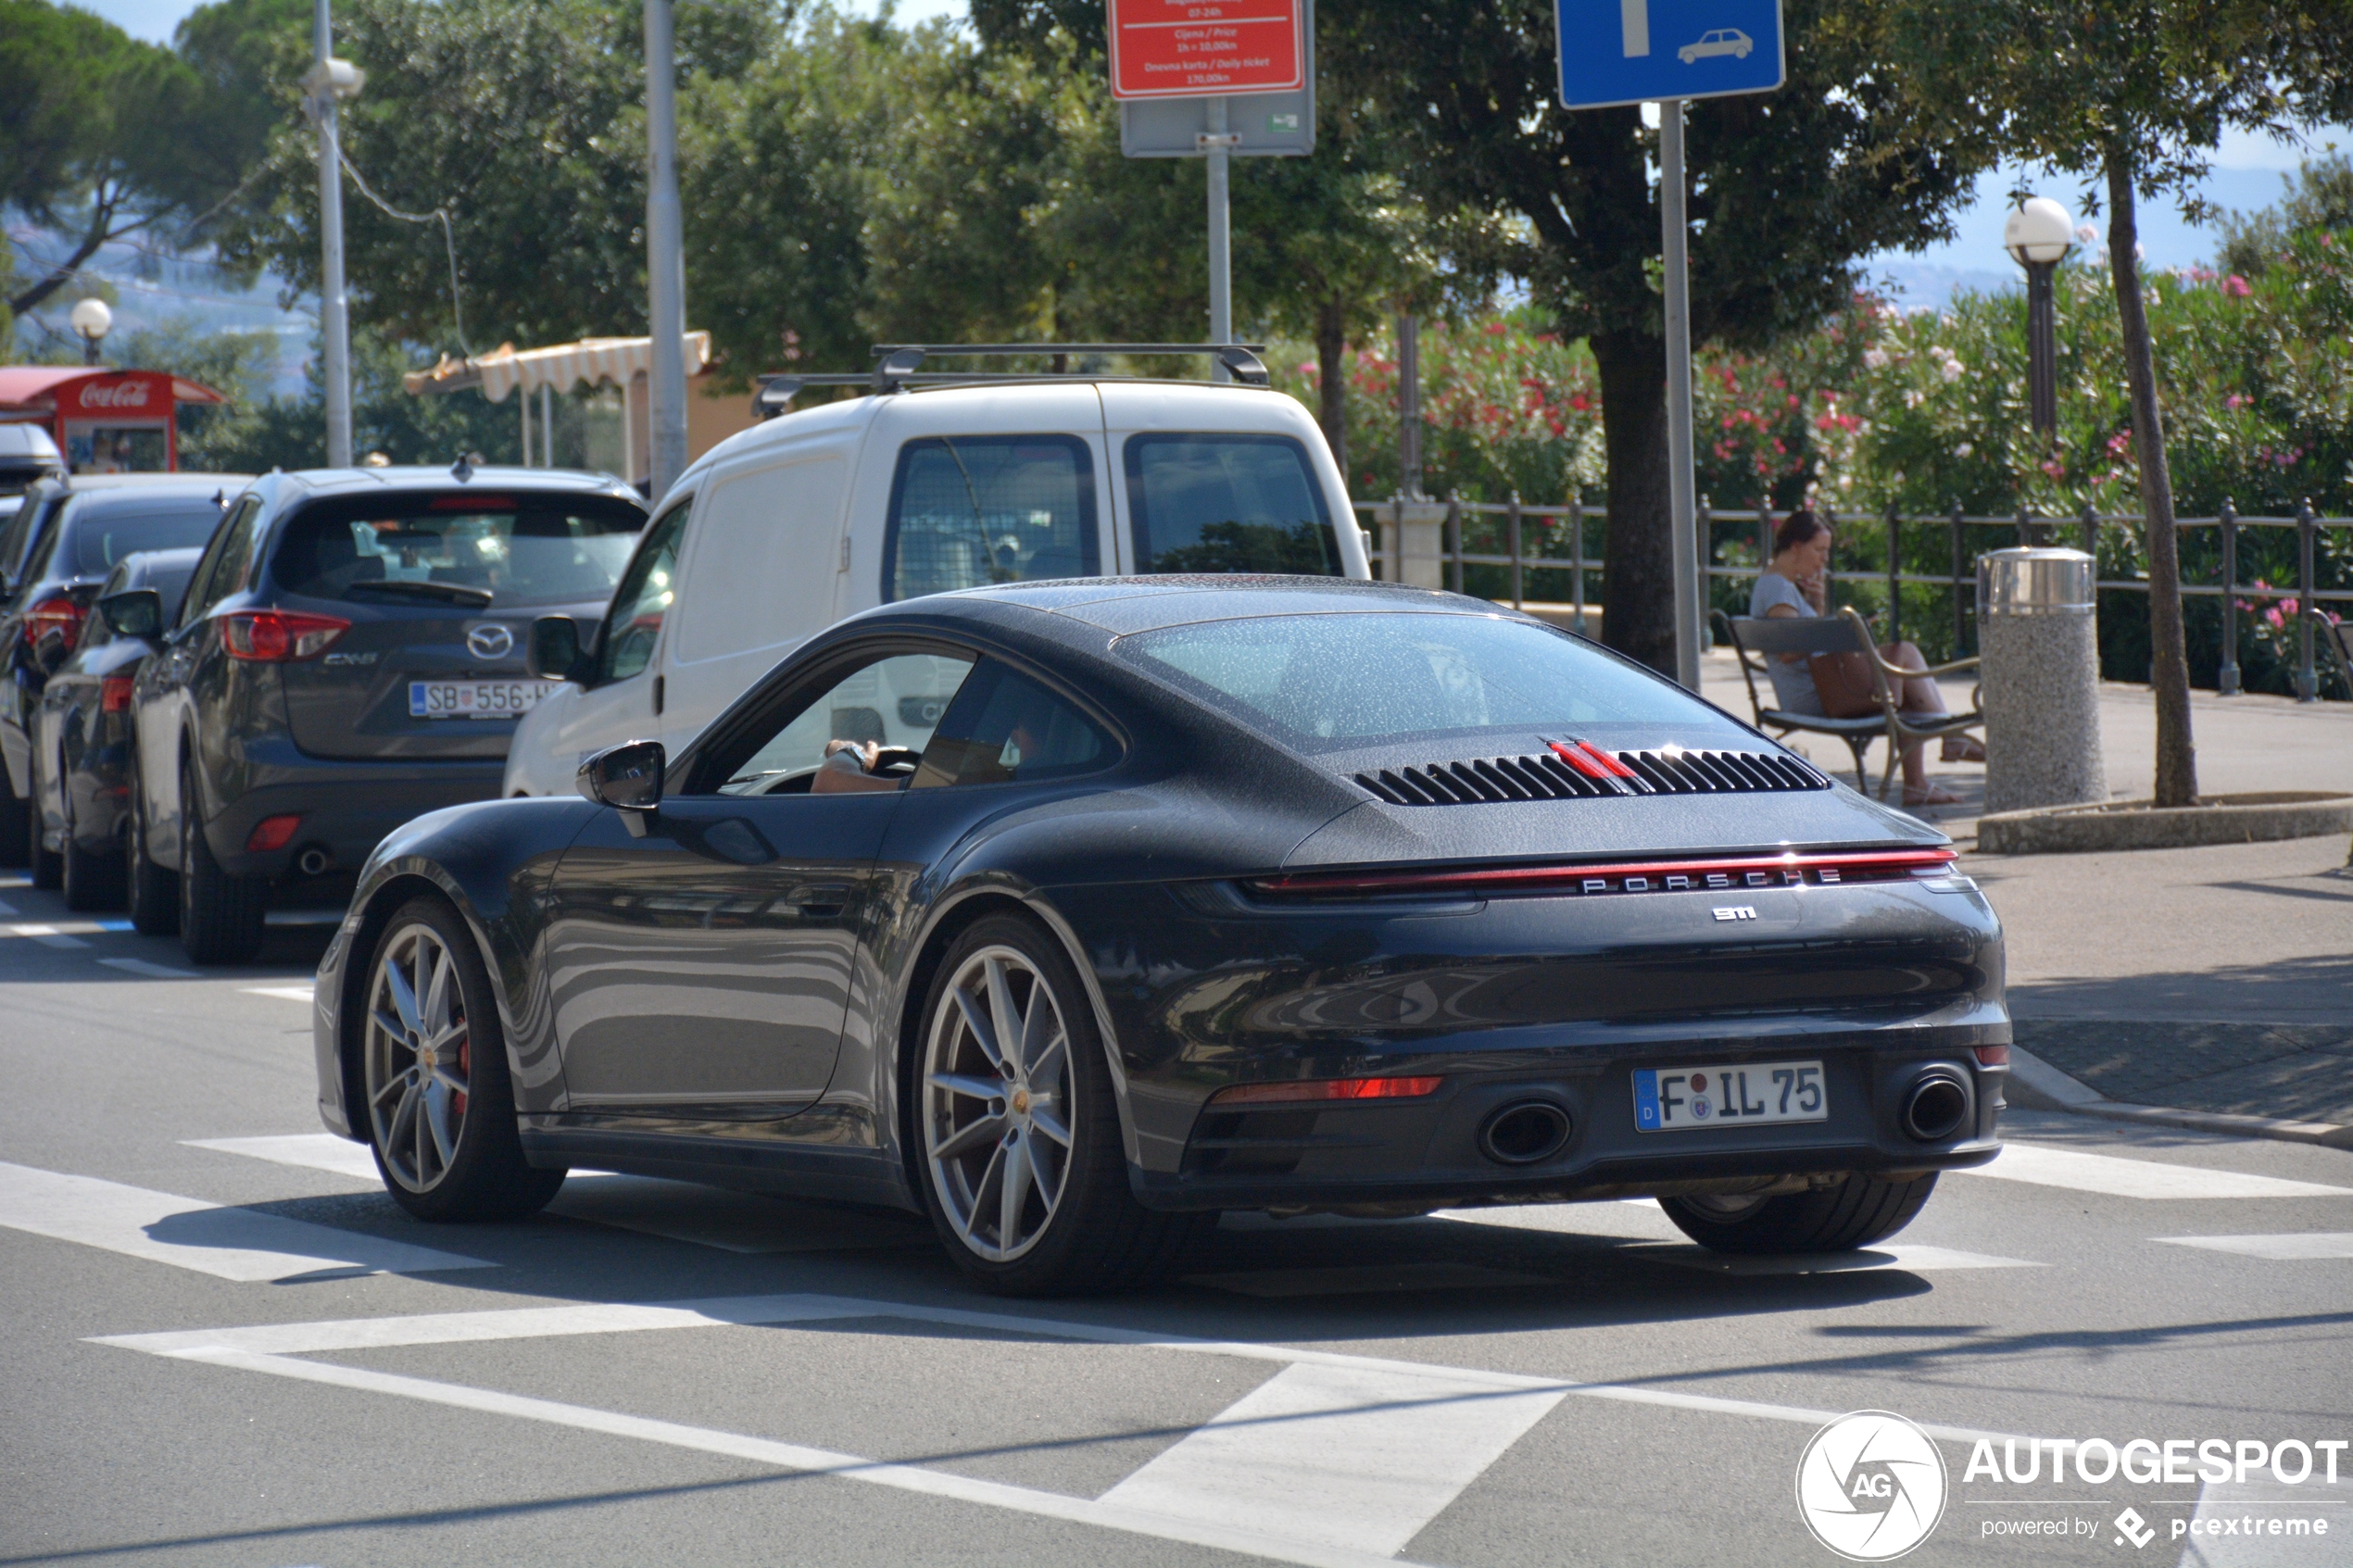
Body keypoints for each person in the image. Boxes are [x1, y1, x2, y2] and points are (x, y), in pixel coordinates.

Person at [1751, 509, 1982, 809]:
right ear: (1796, 547)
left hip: (1822, 690)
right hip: (1816, 697)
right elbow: (1788, 651)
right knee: (1904, 654)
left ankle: (1920, 782)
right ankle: (1949, 741)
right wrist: (1843, 633)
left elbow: (1802, 645)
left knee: (1903, 675)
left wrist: (1817, 606)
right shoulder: (1778, 589)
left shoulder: (1776, 586)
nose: (1824, 560)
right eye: (1819, 550)